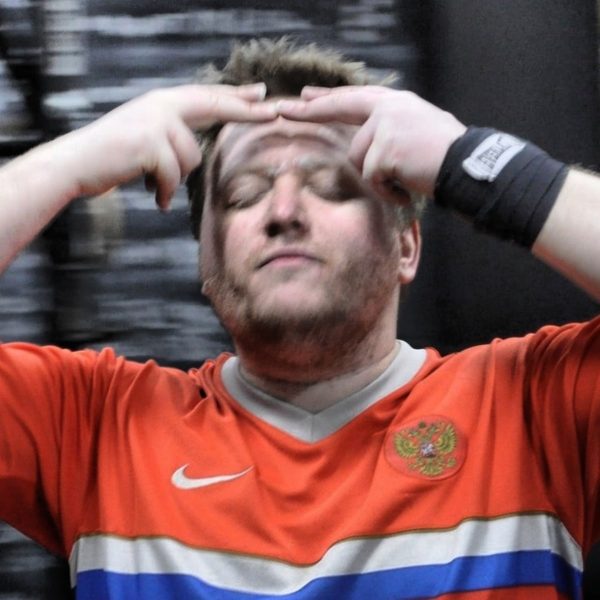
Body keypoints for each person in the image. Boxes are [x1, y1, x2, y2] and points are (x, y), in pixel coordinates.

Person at [0, 38, 598, 599]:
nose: (283, 210)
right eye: (243, 195)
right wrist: (67, 163)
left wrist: (472, 160)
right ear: (205, 258)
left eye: (332, 187)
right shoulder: (95, 428)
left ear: (406, 246)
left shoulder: (533, 410)